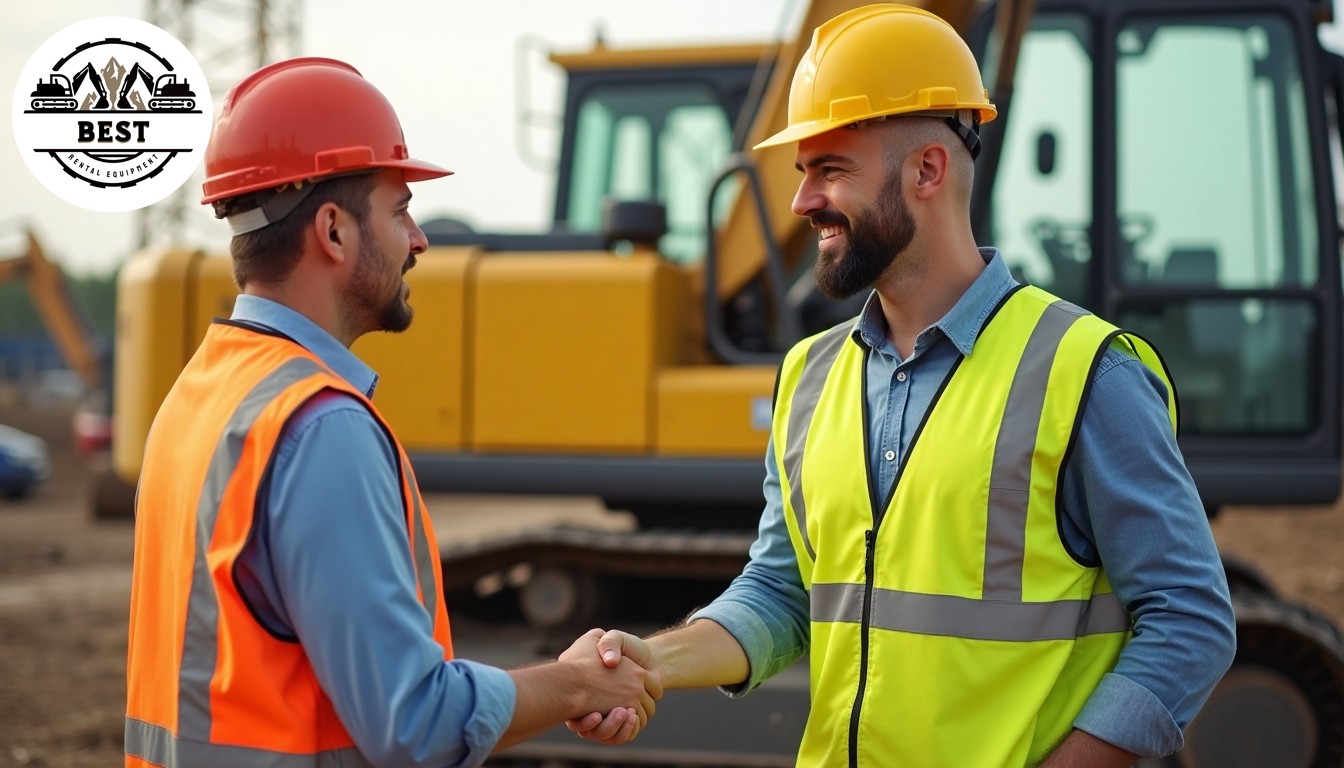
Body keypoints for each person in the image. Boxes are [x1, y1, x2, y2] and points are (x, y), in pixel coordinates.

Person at [566, 5, 1236, 766]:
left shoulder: (1086, 371)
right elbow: (784, 593)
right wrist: (656, 663)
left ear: (927, 169)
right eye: (803, 171)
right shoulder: (809, 378)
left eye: (832, 169)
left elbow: (1189, 618)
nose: (801, 202)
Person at [124, 57, 659, 768]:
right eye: (400, 210)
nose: (420, 240)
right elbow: (418, 726)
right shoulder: (320, 428)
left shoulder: (200, 396)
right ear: (334, 232)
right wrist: (573, 684)